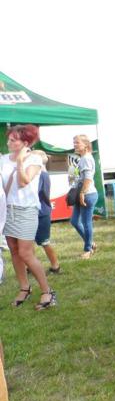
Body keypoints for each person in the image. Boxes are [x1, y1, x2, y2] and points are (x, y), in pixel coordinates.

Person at [1, 125, 56, 310]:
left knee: (26, 253)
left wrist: (19, 162)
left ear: (25, 143)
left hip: (26, 210)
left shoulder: (34, 159)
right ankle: (24, 287)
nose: (8, 143)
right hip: (7, 210)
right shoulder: (3, 160)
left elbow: (23, 181)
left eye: (13, 140)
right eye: (8, 139)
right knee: (14, 251)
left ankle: (47, 291)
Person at [69, 134, 100, 256]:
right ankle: (90, 243)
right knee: (74, 221)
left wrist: (82, 193)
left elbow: (88, 178)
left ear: (86, 145)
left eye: (77, 142)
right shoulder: (82, 158)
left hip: (87, 194)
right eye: (74, 142)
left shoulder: (86, 158)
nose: (75, 145)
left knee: (86, 223)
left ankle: (88, 250)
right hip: (82, 193)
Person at [31, 151, 60, 273]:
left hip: (41, 213)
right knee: (29, 241)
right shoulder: (42, 174)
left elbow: (34, 191)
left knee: (44, 241)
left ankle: (55, 266)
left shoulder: (41, 175)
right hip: (38, 211)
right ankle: (30, 265)